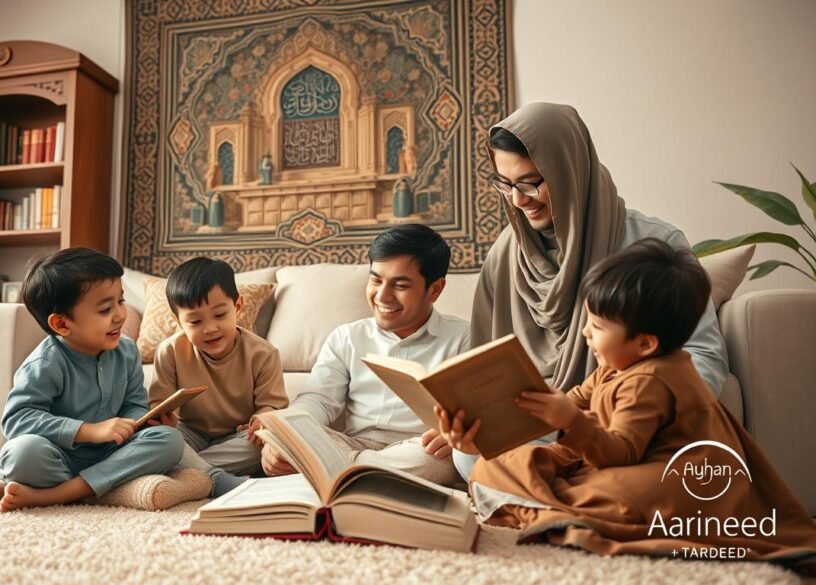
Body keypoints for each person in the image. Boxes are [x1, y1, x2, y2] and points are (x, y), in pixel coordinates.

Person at [437, 239, 816, 572]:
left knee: (618, 496)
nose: (585, 333)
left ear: (646, 343)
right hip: (621, 463)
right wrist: (488, 422)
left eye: (598, 327)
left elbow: (619, 453)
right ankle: (550, 508)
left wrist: (570, 420)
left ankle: (561, 517)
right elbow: (567, 404)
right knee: (495, 464)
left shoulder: (649, 380)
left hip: (676, 479)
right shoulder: (613, 367)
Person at [455, 102, 729, 478]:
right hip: (534, 428)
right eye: (506, 184)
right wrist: (467, 422)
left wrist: (618, 410)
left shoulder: (652, 244)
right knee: (467, 456)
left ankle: (556, 500)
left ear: (569, 169)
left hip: (623, 422)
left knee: (627, 468)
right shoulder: (505, 255)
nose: (518, 200)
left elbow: (705, 358)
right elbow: (483, 373)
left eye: (532, 181)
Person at [0, 248, 196, 512]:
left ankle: (52, 493)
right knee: (22, 455)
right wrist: (88, 431)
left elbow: (133, 404)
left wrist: (141, 422)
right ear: (62, 325)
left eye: (121, 301)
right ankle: (93, 489)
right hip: (58, 457)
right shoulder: (46, 363)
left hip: (111, 453)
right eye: (105, 309)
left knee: (169, 440)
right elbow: (17, 420)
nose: (120, 315)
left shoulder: (127, 351)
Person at [260, 224, 469, 485]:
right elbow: (318, 400)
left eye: (400, 285)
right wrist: (287, 434)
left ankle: (334, 471)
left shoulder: (464, 337)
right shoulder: (347, 337)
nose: (383, 296)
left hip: (418, 450)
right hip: (351, 443)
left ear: (435, 289)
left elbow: (477, 411)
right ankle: (359, 473)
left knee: (437, 460)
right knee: (292, 439)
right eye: (376, 280)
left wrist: (453, 435)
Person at [149, 257, 288, 495]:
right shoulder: (169, 351)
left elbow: (273, 406)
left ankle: (182, 472)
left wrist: (263, 418)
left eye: (220, 315)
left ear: (237, 306)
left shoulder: (263, 353)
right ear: (178, 321)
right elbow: (158, 407)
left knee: (265, 443)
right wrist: (164, 420)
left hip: (239, 436)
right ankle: (207, 476)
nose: (210, 328)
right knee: (158, 439)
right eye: (195, 321)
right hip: (190, 433)